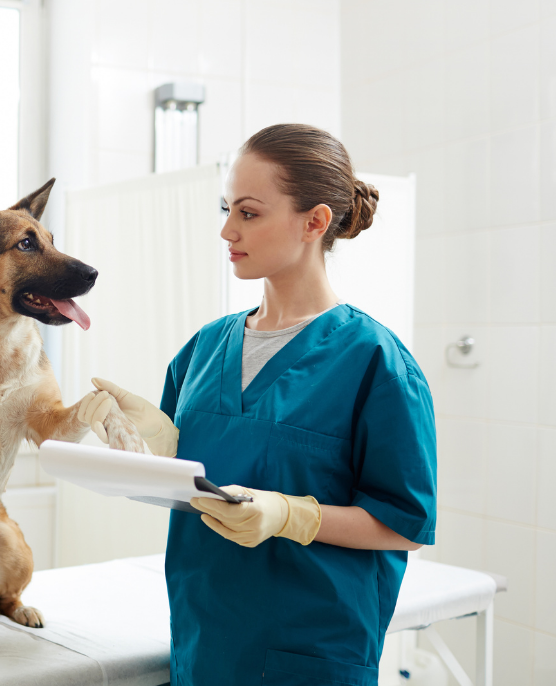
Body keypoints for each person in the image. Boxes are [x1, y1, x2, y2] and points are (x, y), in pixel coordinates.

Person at [78, 123, 436, 686]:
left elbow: (405, 523)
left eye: (247, 212)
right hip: (204, 645)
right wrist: (158, 455)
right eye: (226, 208)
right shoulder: (204, 349)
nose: (226, 230)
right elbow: (195, 490)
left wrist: (294, 515)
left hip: (310, 657)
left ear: (314, 222)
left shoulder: (375, 362)